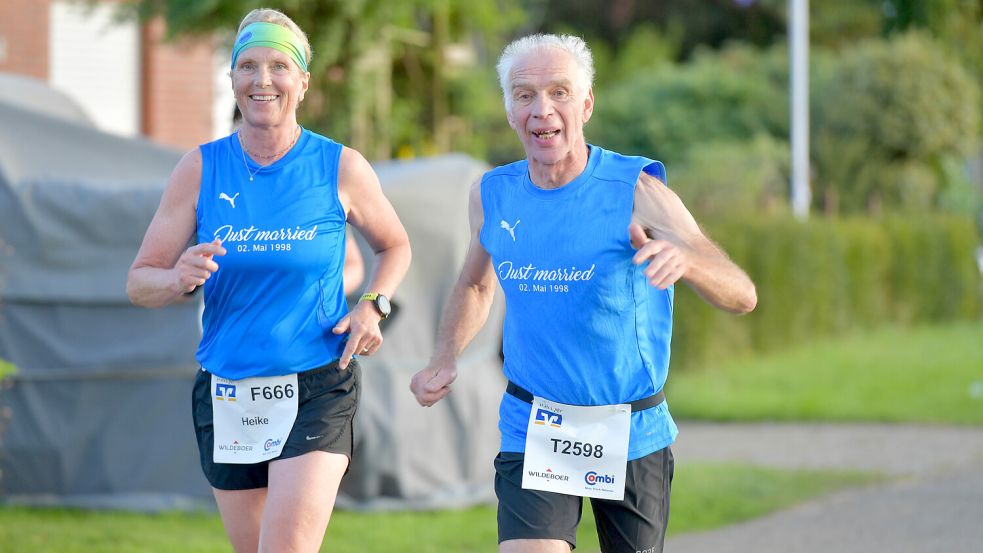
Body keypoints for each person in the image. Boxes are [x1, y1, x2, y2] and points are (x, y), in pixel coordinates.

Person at [410, 34, 756, 553]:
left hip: (630, 427)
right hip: (534, 423)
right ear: (509, 110)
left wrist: (688, 263)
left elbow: (743, 294)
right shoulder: (492, 194)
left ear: (587, 103)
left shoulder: (635, 190)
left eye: (559, 93)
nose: (541, 109)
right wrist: (444, 356)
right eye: (524, 95)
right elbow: (476, 283)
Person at [127, 8, 410, 552]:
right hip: (227, 388)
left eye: (279, 66)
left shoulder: (340, 167)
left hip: (318, 382)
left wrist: (373, 303)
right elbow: (139, 282)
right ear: (230, 79)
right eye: (248, 66)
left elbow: (395, 245)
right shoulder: (200, 169)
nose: (263, 80)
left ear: (302, 82)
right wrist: (176, 277)